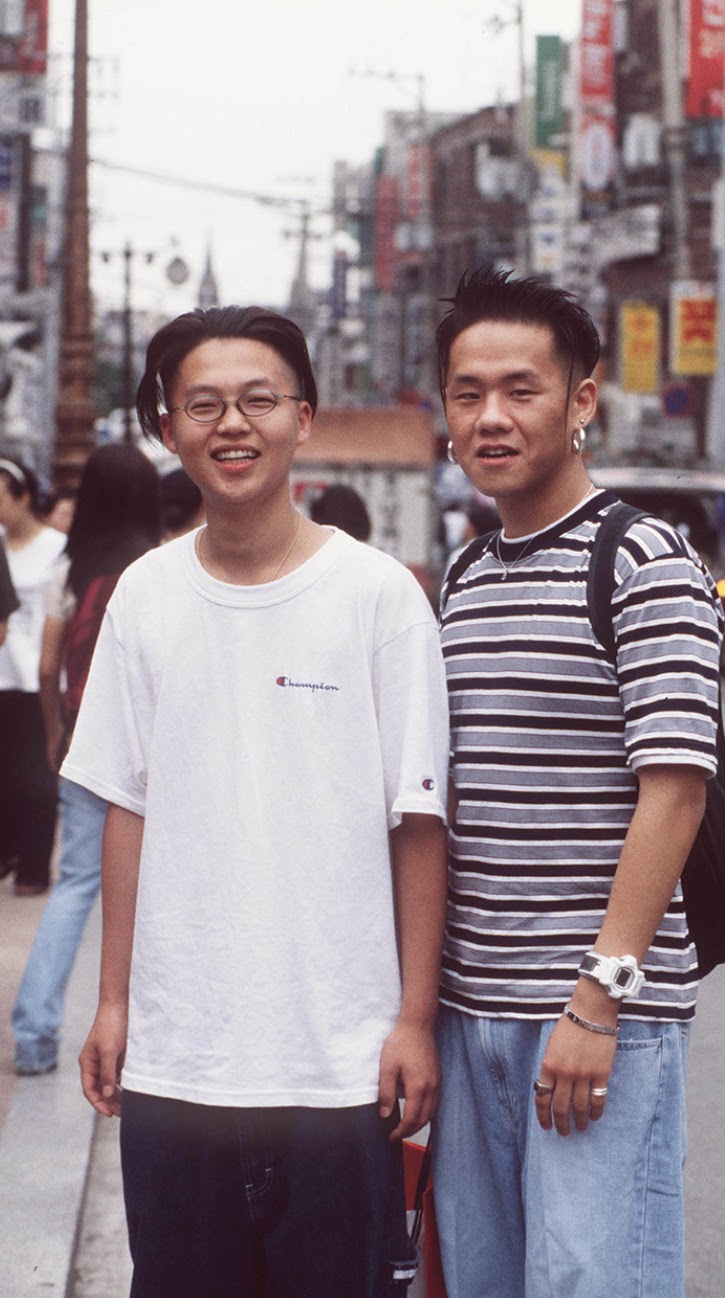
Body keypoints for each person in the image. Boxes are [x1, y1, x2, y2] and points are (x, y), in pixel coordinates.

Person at [66, 305, 449, 1298]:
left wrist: (414, 1019)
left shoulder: (379, 597)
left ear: (302, 418)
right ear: (169, 428)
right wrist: (113, 1002)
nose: (232, 424)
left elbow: (418, 822)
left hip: (340, 1069)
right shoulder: (144, 595)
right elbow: (127, 808)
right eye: (203, 404)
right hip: (179, 1063)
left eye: (258, 400)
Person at [433, 267, 723, 1298]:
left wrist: (600, 998)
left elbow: (676, 790)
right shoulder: (465, 577)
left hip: (597, 1013)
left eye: (522, 389)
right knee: (483, 1281)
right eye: (467, 393)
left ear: (582, 399)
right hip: (470, 1009)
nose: (492, 417)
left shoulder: (645, 560)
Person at [12, 443, 161, 1076]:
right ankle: (152, 1042)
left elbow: (48, 667)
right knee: (161, 893)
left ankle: (34, 1035)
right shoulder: (161, 569)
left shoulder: (68, 571)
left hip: (86, 747)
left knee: (76, 884)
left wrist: (55, 734)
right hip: (157, 757)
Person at [0, 457, 65, 894]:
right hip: (2, 673)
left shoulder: (57, 547)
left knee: (36, 774)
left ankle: (34, 866)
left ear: (23, 498)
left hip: (38, 674)